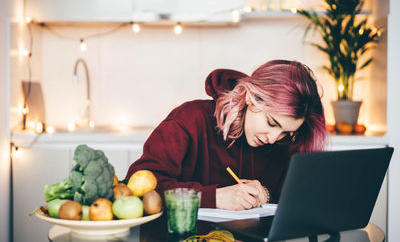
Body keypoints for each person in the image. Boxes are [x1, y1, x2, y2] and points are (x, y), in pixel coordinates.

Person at [126, 60, 328, 210]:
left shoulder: (284, 143)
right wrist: (213, 198)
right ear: (251, 96)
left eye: (286, 133)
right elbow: (137, 188)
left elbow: (297, 201)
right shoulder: (190, 119)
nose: (274, 138)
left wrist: (265, 195)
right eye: (271, 122)